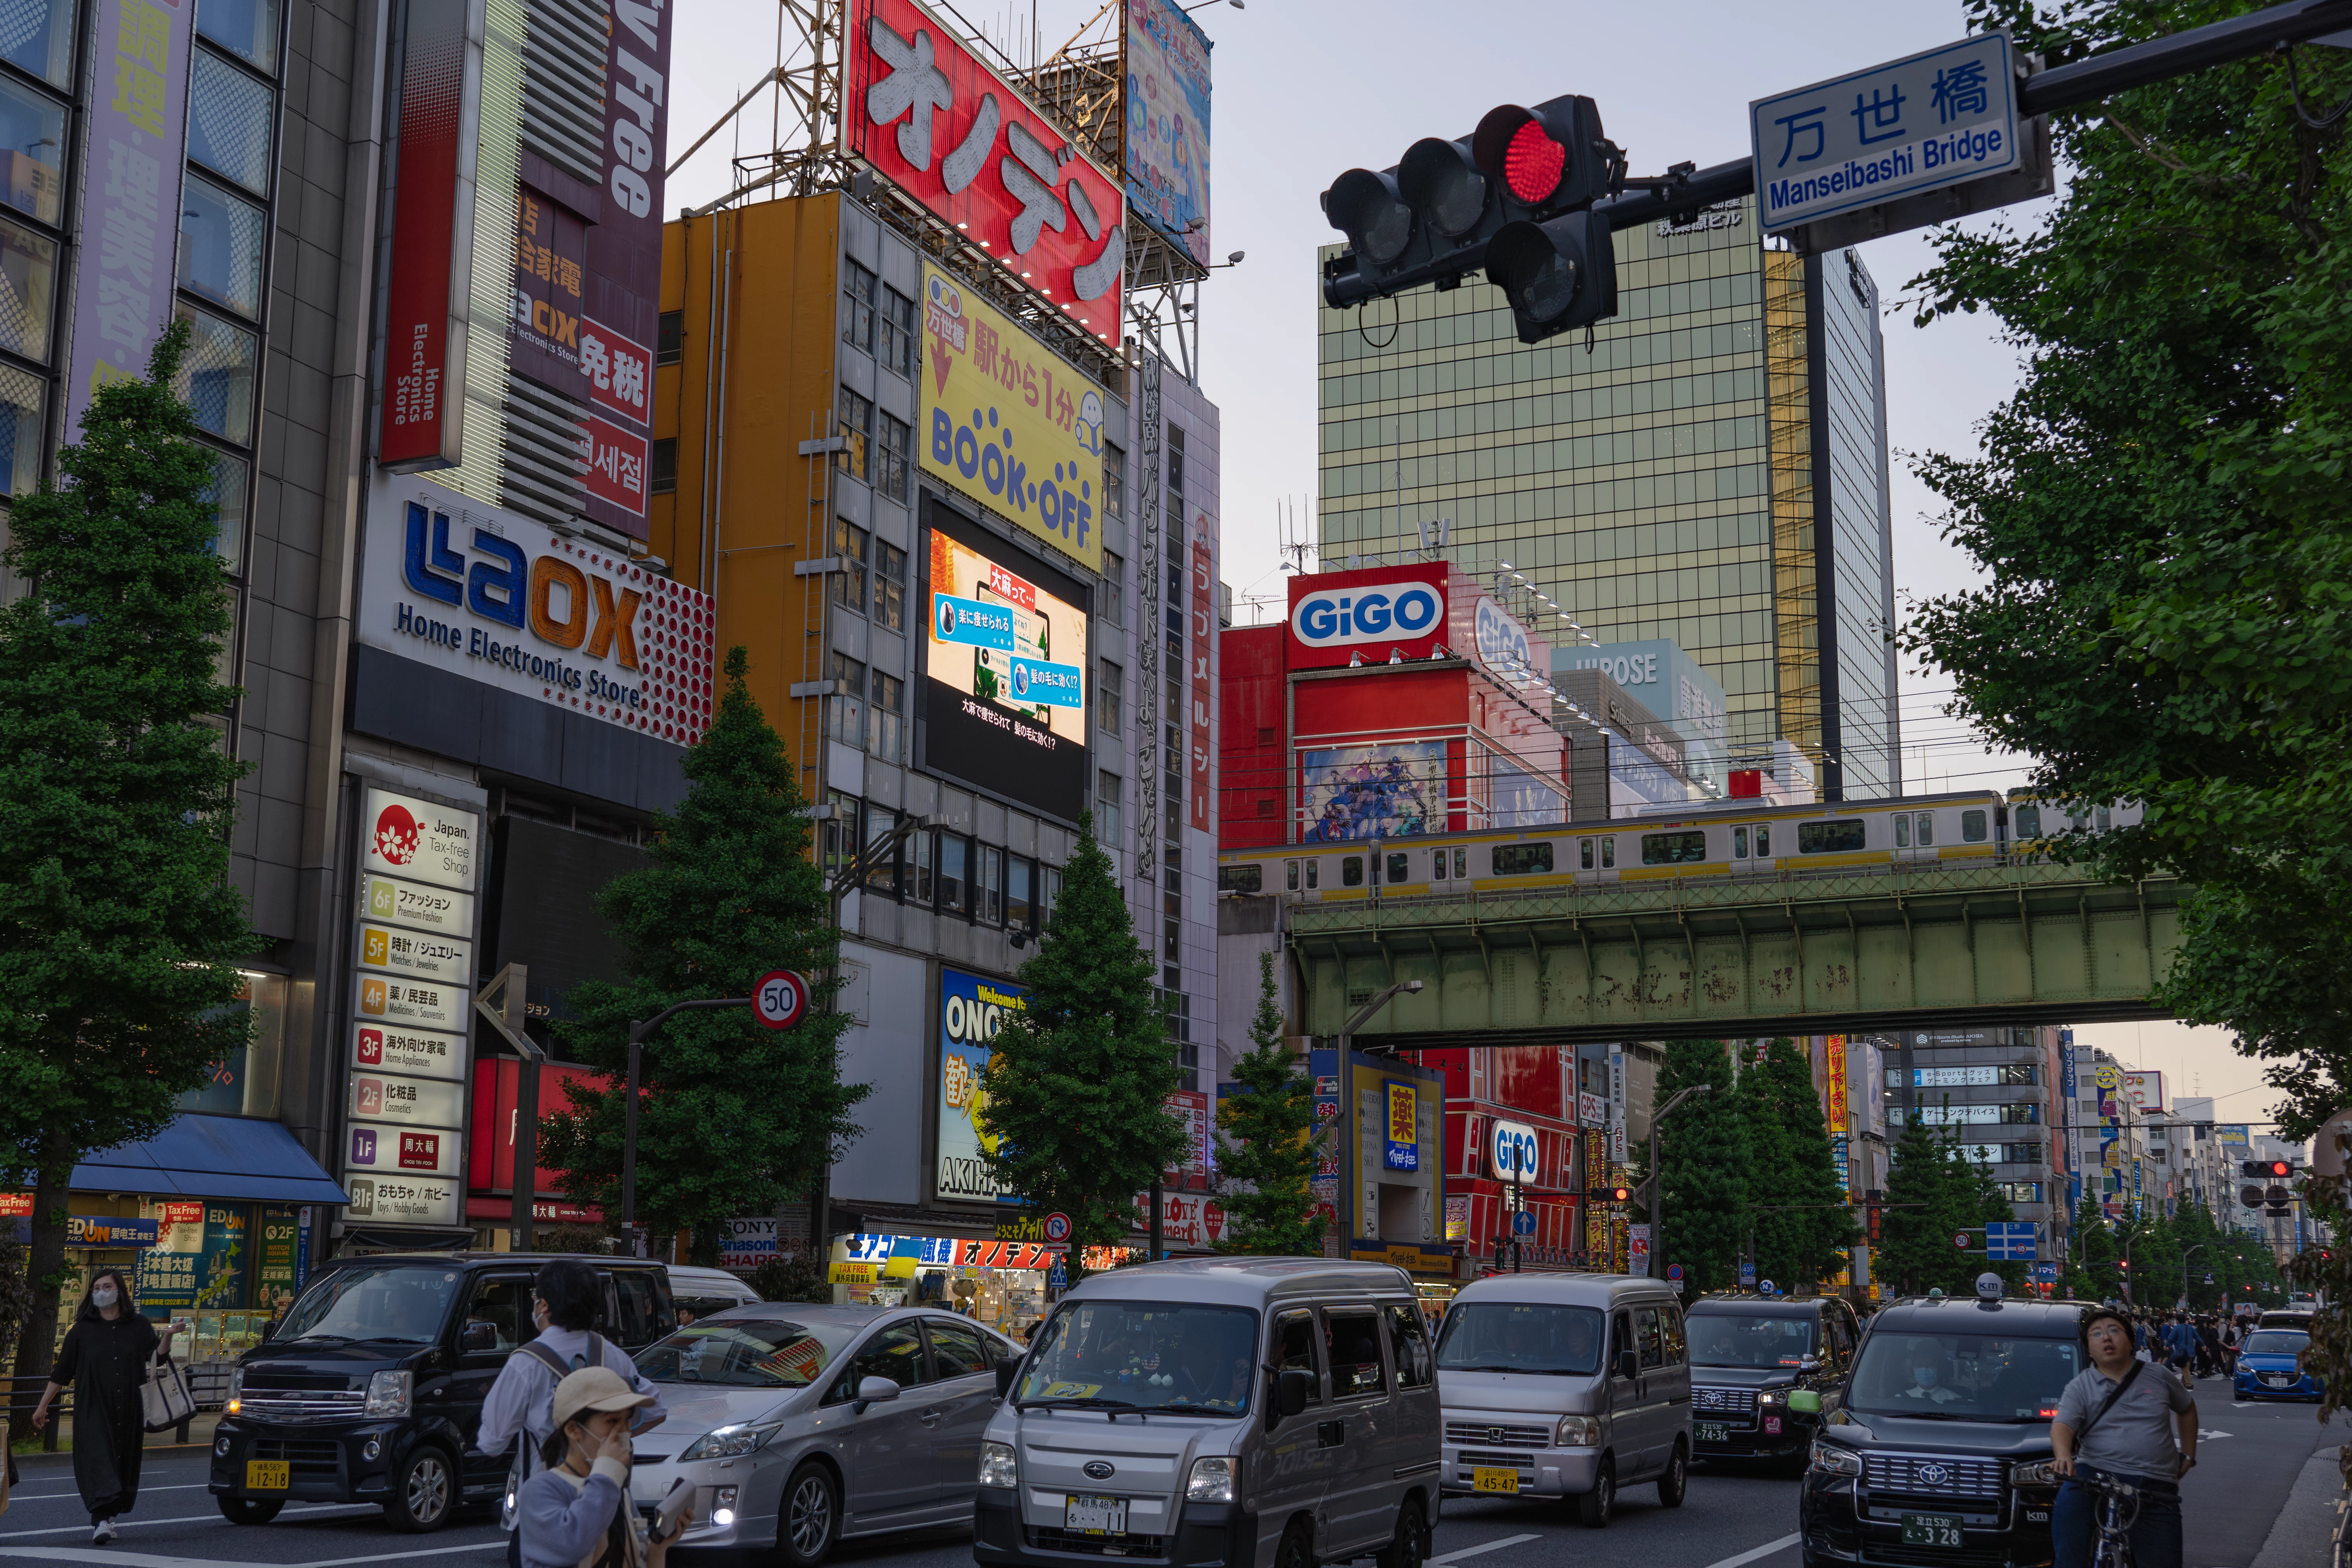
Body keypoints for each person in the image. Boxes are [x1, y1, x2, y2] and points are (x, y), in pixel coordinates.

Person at [478, 1259, 669, 1568]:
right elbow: (657, 1410)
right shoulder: (615, 1357)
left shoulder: (525, 1364)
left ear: (544, 1304)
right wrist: (611, 1440)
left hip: (549, 1510)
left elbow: (492, 1441)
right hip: (613, 1508)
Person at [28, 1270, 186, 1544]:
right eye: (97, 1288)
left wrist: (169, 1335)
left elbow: (157, 1358)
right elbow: (61, 1372)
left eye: (108, 1286)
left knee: (122, 1462)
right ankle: (99, 1520)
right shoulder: (81, 1331)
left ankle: (108, 1518)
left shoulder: (138, 1325)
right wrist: (42, 1406)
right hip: (92, 1406)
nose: (102, 1292)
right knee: (97, 1458)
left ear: (120, 1291)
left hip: (129, 1407)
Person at [2051, 1306, 2195, 1568]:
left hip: (2154, 1483)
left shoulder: (2159, 1375)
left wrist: (2189, 1455)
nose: (2106, 1338)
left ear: (2131, 1341)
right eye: (2097, 1334)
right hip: (2093, 1476)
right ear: (2089, 1349)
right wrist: (2063, 1456)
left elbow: (2186, 1409)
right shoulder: (2080, 1386)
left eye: (2114, 1331)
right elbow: (2063, 1425)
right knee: (2069, 1518)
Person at [519, 1365, 691, 1568]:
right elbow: (572, 1545)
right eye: (612, 1421)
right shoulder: (540, 1489)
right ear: (574, 1430)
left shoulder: (614, 1488)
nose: (623, 1431)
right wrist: (606, 1475)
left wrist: (658, 1549)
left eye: (627, 1420)